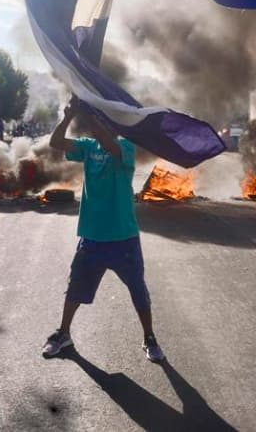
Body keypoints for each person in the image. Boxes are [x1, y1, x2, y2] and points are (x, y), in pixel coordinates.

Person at [41, 96, 165, 363]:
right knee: (76, 287)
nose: (102, 125)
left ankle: (149, 337)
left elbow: (108, 142)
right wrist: (69, 116)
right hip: (93, 236)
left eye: (107, 120)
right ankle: (63, 334)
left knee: (137, 289)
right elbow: (56, 142)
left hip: (123, 237)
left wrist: (90, 110)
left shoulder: (125, 146)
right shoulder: (87, 147)